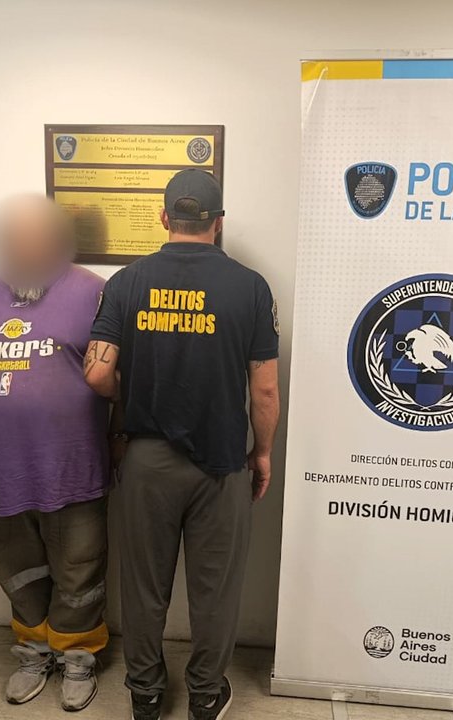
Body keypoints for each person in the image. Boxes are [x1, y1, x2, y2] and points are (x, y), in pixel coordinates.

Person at [85, 169, 281, 720]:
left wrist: (134, 392)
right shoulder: (251, 287)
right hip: (221, 461)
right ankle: (205, 694)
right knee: (215, 590)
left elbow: (97, 375)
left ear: (164, 218)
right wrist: (262, 454)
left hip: (146, 461)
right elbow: (265, 390)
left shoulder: (126, 283)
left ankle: (146, 695)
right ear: (219, 222)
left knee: (144, 587)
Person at [0, 195, 110, 712]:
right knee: (16, 568)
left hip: (75, 467)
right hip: (3, 469)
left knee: (80, 568)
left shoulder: (94, 292)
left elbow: (118, 375)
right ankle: (33, 652)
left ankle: (79, 656)